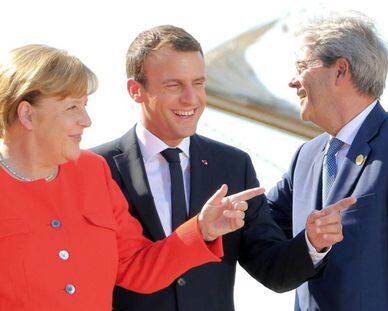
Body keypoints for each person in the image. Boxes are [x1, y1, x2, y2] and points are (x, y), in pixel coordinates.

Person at [93, 25, 355, 311]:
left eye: (198, 83)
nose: (191, 99)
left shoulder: (233, 165)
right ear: (136, 90)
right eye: (174, 85)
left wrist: (311, 243)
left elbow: (272, 271)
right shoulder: (96, 169)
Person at [0, 44, 266, 310]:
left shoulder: (93, 170)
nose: (86, 120)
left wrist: (202, 229)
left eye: (85, 105)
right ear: (27, 114)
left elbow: (136, 265)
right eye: (72, 107)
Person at [268, 11, 388, 311]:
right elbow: (260, 226)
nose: (292, 81)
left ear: (340, 71)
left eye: (302, 67)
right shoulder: (305, 158)